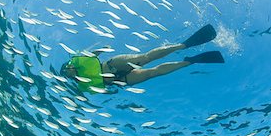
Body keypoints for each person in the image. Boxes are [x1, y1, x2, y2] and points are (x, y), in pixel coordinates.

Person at [60, 24, 225, 93]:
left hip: (112, 66)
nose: (69, 72)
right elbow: (101, 91)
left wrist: (102, 48)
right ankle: (189, 61)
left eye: (67, 70)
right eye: (67, 74)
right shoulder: (81, 86)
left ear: (68, 66)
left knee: (145, 58)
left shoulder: (77, 59)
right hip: (120, 80)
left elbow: (97, 51)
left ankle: (183, 45)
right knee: (153, 73)